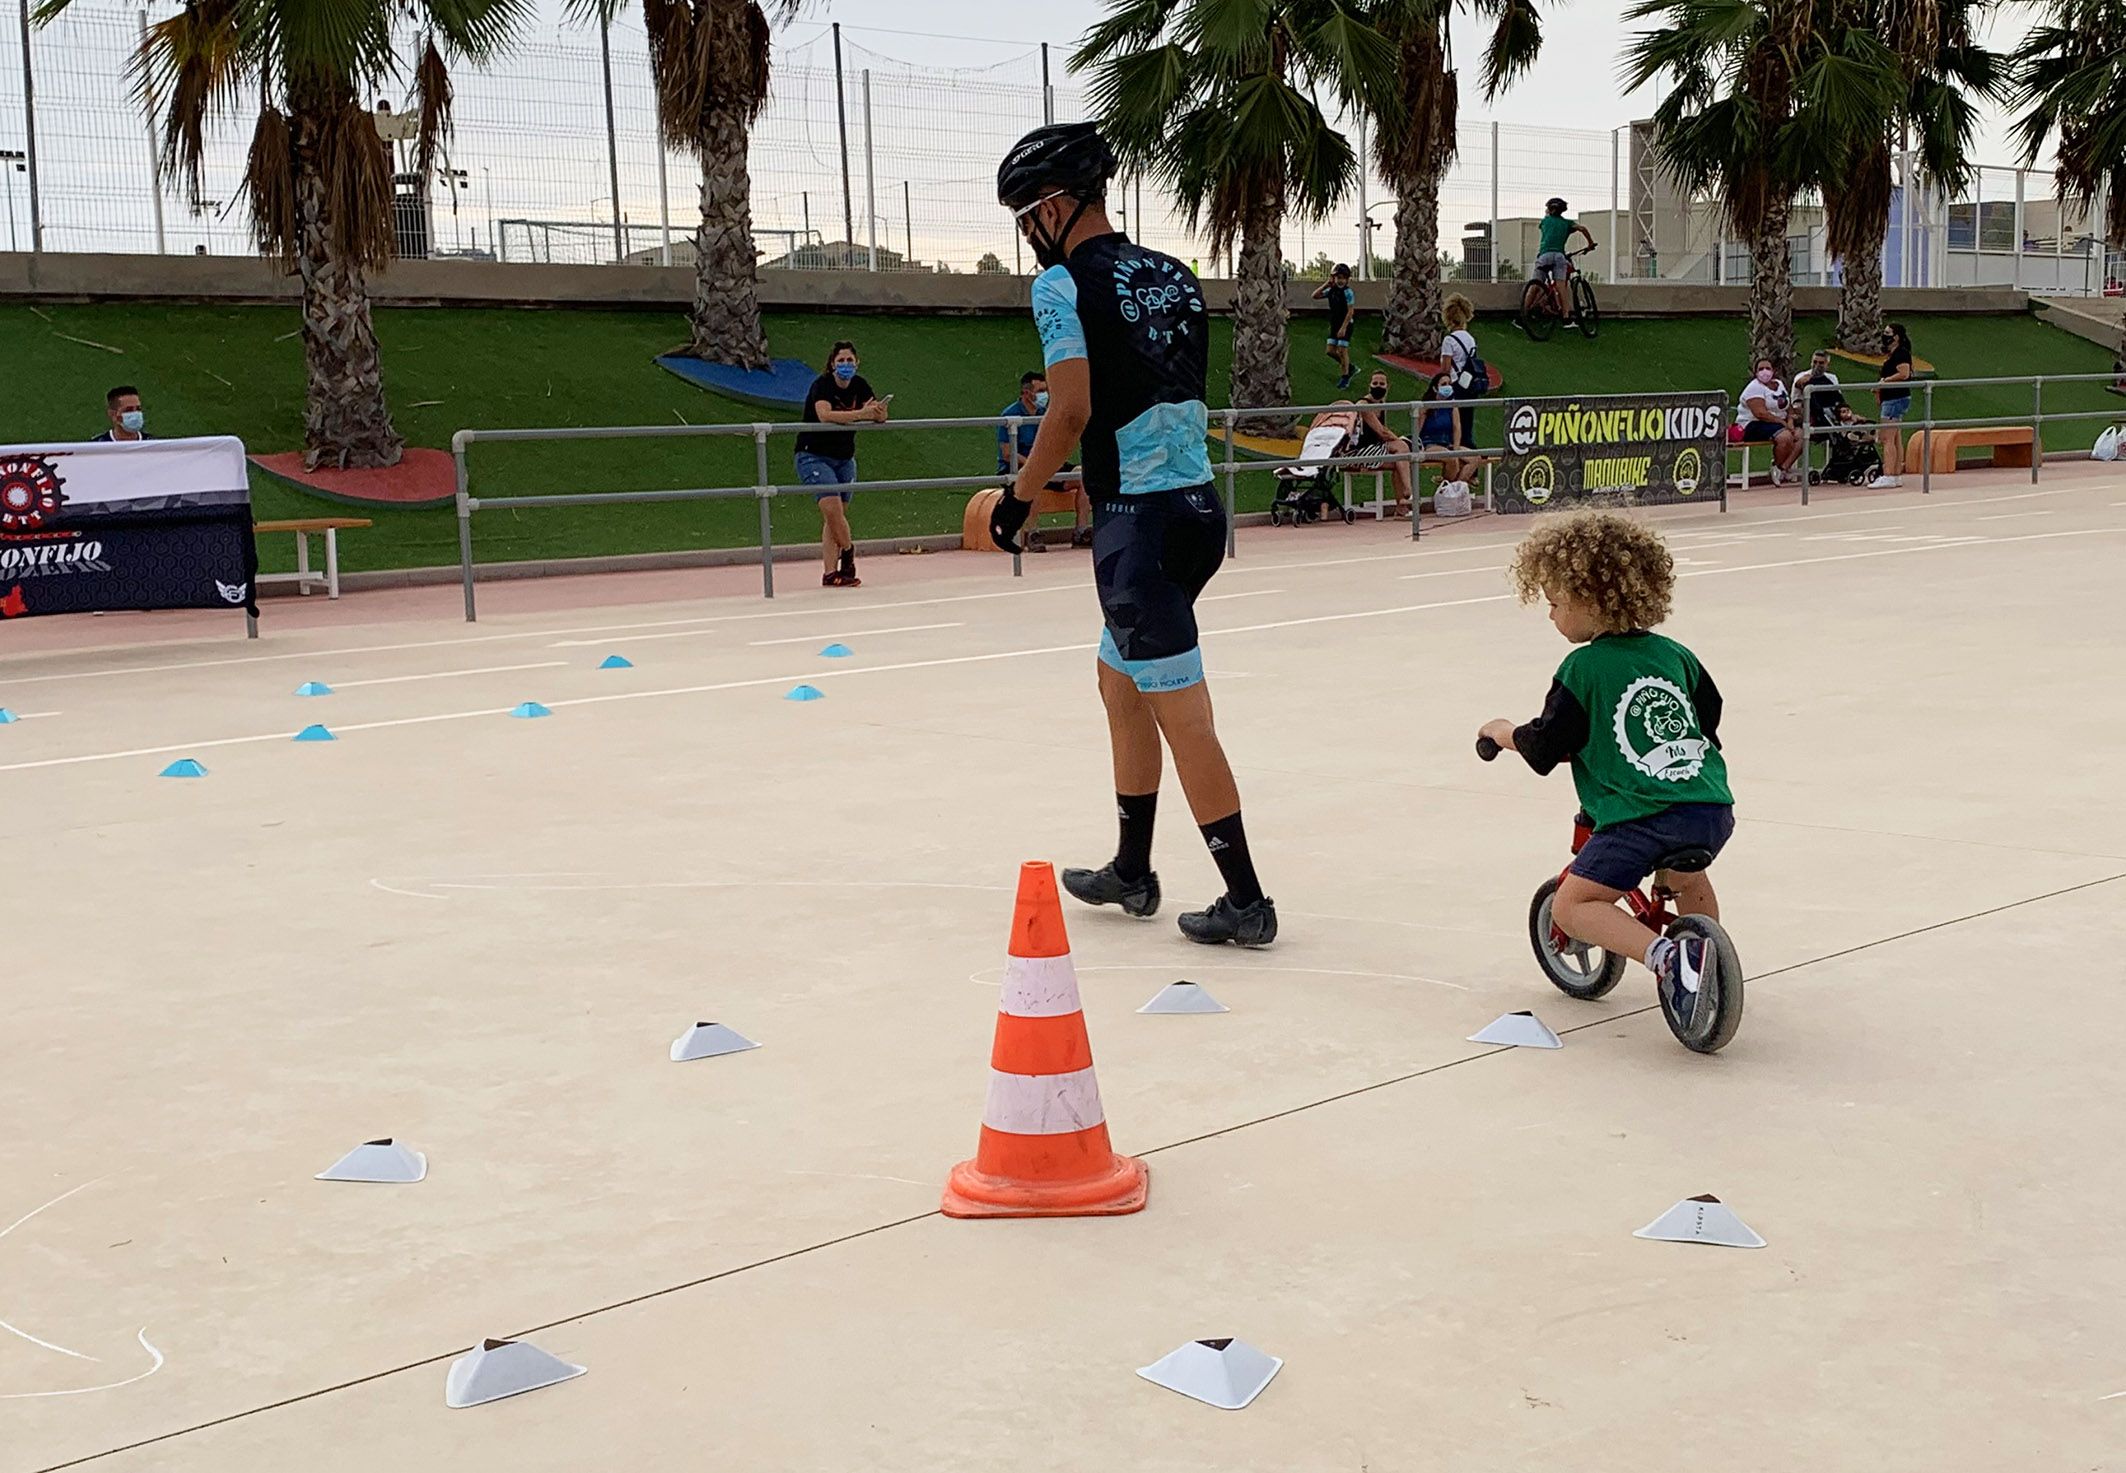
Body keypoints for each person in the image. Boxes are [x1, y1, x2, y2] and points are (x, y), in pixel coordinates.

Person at [991, 120, 1276, 947]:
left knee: (1186, 716)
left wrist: (1018, 497)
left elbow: (1071, 407)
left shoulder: (1061, 285)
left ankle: (1247, 899)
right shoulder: (1173, 273)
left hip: (1135, 527)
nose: (1026, 234)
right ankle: (1132, 868)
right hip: (1196, 509)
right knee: (1121, 682)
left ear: (1053, 206)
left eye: (1025, 217)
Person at [1477, 510, 1733, 1022]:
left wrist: (1500, 732)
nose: (1551, 616)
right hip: (1708, 806)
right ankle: (1714, 964)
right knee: (1686, 875)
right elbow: (1709, 717)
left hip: (1640, 817)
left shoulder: (1582, 667)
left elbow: (1545, 745)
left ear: (1591, 601)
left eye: (1555, 604)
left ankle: (1667, 959)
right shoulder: (1674, 653)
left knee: (1575, 904)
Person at [795, 340, 886, 587]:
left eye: (849, 360)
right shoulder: (821, 386)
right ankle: (848, 553)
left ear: (857, 362)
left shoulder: (860, 385)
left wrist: (878, 412)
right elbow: (825, 415)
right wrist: (860, 415)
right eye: (840, 361)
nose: (845, 365)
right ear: (832, 364)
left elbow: (877, 413)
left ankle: (830, 573)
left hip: (844, 458)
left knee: (834, 518)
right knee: (832, 510)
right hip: (813, 454)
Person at [996, 370, 1092, 552]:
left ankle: (1081, 531)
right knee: (1035, 479)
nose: (1044, 395)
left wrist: (1051, 462)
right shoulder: (1009, 415)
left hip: (1049, 466)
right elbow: (1008, 454)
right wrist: (1037, 464)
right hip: (1021, 467)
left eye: (1046, 390)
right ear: (1026, 393)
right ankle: (1033, 533)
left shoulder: (1047, 414)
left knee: (1082, 474)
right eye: (1040, 391)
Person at [1348, 370, 1415, 514]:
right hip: (1359, 450)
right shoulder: (1364, 404)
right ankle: (1407, 494)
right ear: (1369, 385)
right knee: (1401, 458)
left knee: (1400, 457)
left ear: (1387, 387)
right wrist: (1399, 440)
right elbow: (1382, 432)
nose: (1378, 386)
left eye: (1381, 384)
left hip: (1376, 447)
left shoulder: (1382, 404)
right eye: (1375, 383)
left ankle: (1403, 502)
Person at [1735, 356, 1802, 484]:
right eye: (1761, 369)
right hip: (1754, 424)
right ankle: (1778, 466)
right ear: (1755, 372)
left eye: (1768, 368)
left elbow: (1787, 406)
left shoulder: (1779, 384)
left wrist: (1790, 421)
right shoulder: (1754, 388)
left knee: (1800, 435)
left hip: (1778, 422)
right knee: (1785, 437)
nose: (1765, 371)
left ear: (1773, 370)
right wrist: (1782, 423)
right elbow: (1760, 413)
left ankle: (1781, 468)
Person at [1417, 369, 1478, 506]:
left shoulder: (1452, 406)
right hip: (1430, 444)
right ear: (1435, 388)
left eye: (1449, 383)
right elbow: (1417, 431)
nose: (1447, 386)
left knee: (1474, 458)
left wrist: (1456, 449)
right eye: (1443, 384)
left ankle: (1452, 491)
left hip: (1448, 444)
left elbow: (1457, 429)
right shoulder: (1426, 407)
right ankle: (1449, 494)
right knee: (1451, 458)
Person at [1533, 198, 1597, 324]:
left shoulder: (1545, 221)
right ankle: (1566, 317)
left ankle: (1524, 313)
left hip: (1544, 256)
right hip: (1559, 255)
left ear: (1550, 209)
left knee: (1534, 285)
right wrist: (1590, 244)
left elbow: (1546, 226)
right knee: (1561, 285)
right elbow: (1582, 229)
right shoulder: (1567, 223)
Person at [1869, 321, 1914, 488]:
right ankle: (1895, 474)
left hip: (1895, 399)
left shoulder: (1901, 354)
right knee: (1895, 437)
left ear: (1896, 337)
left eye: (1888, 333)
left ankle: (1888, 473)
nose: (1885, 336)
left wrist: (1884, 382)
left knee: (1887, 438)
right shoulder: (1893, 354)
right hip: (1892, 398)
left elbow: (1904, 374)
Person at [1440, 293, 1483, 451]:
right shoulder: (1470, 339)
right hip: (1469, 385)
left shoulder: (1449, 340)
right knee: (1467, 425)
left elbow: (1445, 369)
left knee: (1455, 426)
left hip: (1455, 386)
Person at [1312, 264, 1357, 389]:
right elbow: (1315, 295)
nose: (1340, 281)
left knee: (1342, 351)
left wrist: (1343, 328)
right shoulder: (1331, 291)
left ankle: (1345, 377)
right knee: (1330, 351)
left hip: (1346, 324)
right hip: (1335, 324)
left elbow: (1350, 311)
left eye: (1343, 278)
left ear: (1347, 279)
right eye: (1338, 278)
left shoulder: (1348, 292)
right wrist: (1326, 284)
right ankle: (1350, 367)